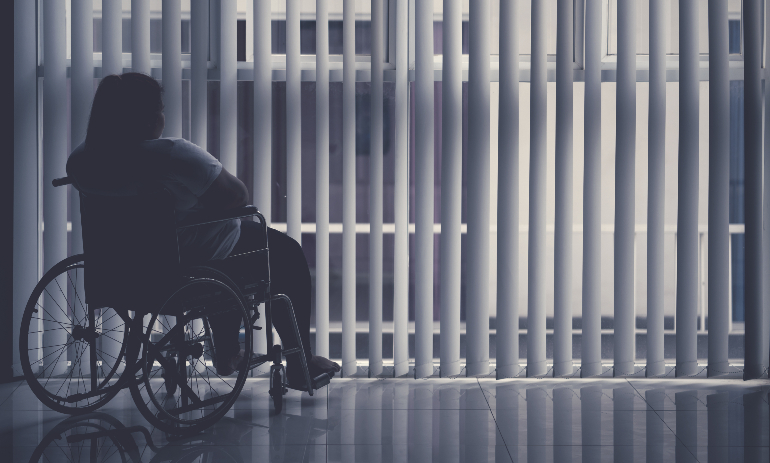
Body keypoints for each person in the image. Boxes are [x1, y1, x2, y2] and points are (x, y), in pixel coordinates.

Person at [67, 72, 339, 386]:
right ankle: (297, 362)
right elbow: (237, 196)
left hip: (124, 269)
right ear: (144, 118)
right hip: (185, 262)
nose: (163, 116)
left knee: (231, 252)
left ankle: (228, 352)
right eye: (160, 109)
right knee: (282, 253)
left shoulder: (82, 161)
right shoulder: (172, 155)